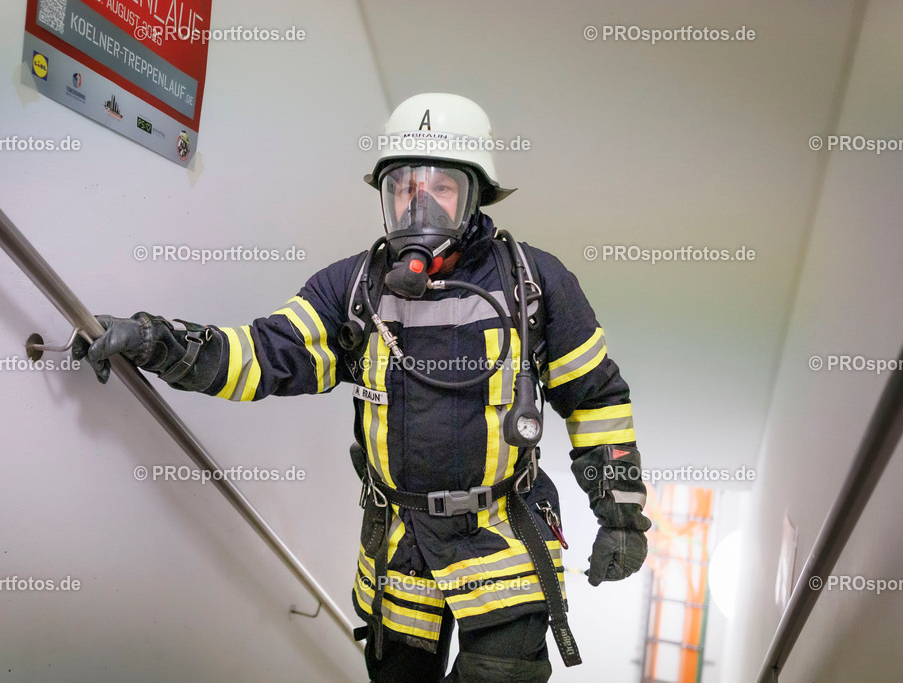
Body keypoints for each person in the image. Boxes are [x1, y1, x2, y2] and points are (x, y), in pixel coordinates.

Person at [74, 93, 651, 683]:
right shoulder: (353, 289)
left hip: (503, 537)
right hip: (398, 546)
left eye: (440, 188)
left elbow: (597, 400)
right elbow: (263, 355)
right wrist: (153, 341)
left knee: (504, 674)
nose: (418, 204)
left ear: (475, 196)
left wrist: (621, 517)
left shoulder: (537, 283)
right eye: (402, 187)